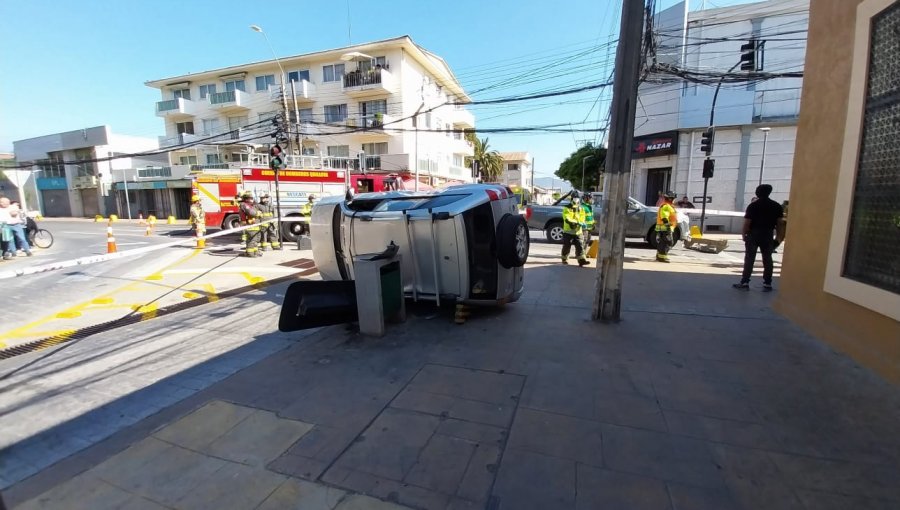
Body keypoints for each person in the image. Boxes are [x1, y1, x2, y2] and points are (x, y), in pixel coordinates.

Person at [734, 184, 784, 291]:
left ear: (759, 192)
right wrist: (778, 238)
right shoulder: (776, 206)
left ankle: (745, 281)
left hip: (753, 233)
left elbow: (747, 222)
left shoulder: (753, 206)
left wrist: (743, 234)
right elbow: (779, 224)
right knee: (767, 258)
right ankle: (767, 283)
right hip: (768, 234)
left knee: (749, 258)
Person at [561, 195, 589, 266]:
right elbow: (566, 217)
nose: (576, 199)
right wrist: (573, 222)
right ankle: (564, 258)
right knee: (567, 246)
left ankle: (581, 260)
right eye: (575, 198)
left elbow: (582, 217)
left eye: (577, 198)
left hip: (578, 231)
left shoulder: (581, 208)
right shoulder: (567, 207)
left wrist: (581, 222)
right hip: (568, 231)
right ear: (572, 198)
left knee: (580, 245)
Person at [655, 190, 678, 263]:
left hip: (665, 228)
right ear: (670, 198)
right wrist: (667, 225)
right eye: (673, 198)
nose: (674, 200)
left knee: (662, 243)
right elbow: (664, 216)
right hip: (666, 228)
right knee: (668, 242)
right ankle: (662, 257)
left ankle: (659, 256)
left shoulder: (668, 206)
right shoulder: (666, 206)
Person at [239, 192, 263, 257]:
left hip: (255, 225)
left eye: (252, 198)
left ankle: (255, 251)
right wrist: (258, 213)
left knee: (255, 240)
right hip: (251, 225)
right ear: (246, 199)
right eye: (250, 198)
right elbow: (251, 213)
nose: (252, 199)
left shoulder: (251, 205)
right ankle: (250, 253)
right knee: (252, 239)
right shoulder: (245, 205)